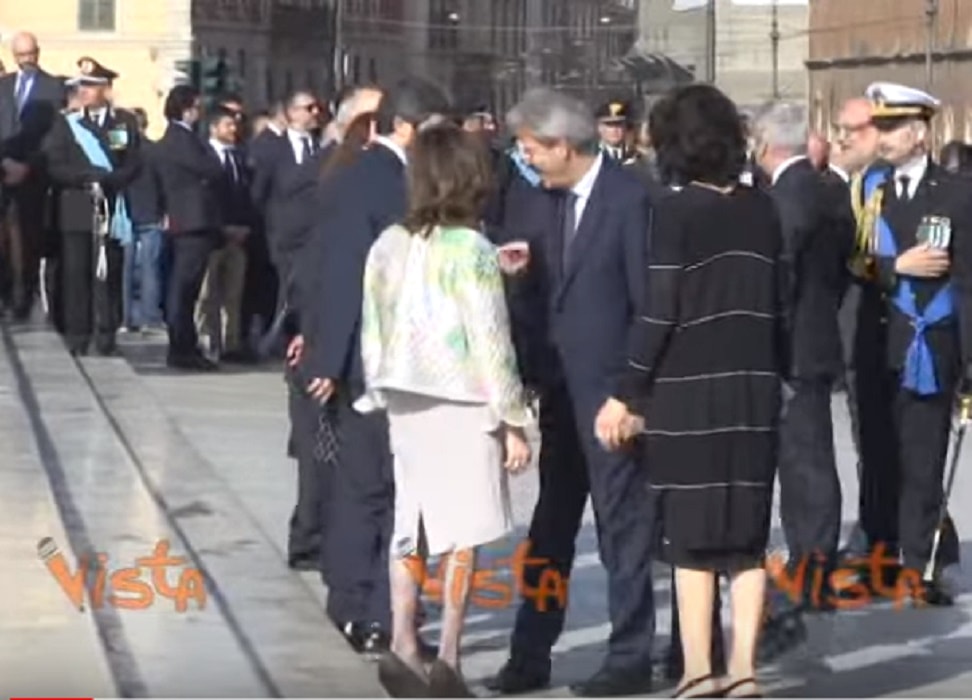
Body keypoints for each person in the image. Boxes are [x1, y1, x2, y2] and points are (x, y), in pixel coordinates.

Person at [596, 83, 788, 699]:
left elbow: (659, 314)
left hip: (689, 389)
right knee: (747, 538)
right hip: (754, 389)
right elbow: (779, 301)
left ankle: (698, 671)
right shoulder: (763, 209)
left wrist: (627, 392)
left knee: (690, 539)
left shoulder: (676, 212)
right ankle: (745, 672)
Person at [487, 88, 656, 697]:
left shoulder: (632, 199)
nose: (525, 159)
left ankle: (630, 654)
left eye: (531, 149)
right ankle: (529, 652)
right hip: (558, 393)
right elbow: (532, 293)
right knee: (550, 530)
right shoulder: (536, 202)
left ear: (562, 146)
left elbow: (650, 305)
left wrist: (634, 395)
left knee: (623, 530)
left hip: (612, 397)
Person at [357, 123, 533, 697]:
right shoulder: (473, 249)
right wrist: (513, 418)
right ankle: (449, 653)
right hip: (463, 398)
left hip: (404, 395)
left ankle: (403, 638)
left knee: (412, 523)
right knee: (464, 531)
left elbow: (373, 326)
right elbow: (491, 340)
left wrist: (379, 387)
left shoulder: (387, 243)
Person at [299, 76, 451, 655]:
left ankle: (376, 609)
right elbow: (341, 270)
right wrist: (329, 357)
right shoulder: (371, 180)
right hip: (373, 359)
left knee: (387, 491)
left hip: (397, 357)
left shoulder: (388, 176)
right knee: (369, 489)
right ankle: (361, 608)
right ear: (407, 127)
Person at [861, 81, 972, 605]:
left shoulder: (954, 193)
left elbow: (969, 280)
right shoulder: (870, 189)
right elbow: (849, 260)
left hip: (929, 345)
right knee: (877, 458)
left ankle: (918, 564)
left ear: (919, 133)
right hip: (873, 344)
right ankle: (880, 554)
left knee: (922, 459)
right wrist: (891, 267)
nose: (881, 137)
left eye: (891, 128)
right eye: (878, 127)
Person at [752, 102, 853, 609]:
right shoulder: (828, 189)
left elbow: (781, 273)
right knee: (808, 460)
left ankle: (812, 569)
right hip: (816, 337)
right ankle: (811, 560)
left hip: (792, 346)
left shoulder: (786, 197)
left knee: (804, 462)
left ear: (766, 142)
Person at [41, 57, 140, 356]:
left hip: (109, 206)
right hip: (76, 206)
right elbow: (55, 163)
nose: (84, 91)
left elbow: (128, 162)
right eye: (82, 85)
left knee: (108, 272)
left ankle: (107, 331)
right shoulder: (66, 123)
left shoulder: (120, 123)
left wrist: (108, 181)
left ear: (106, 89)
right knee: (76, 272)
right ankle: (77, 334)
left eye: (92, 86)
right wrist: (86, 178)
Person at [154, 84, 224, 371]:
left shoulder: (173, 139)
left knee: (184, 287)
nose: (199, 113)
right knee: (184, 288)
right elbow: (212, 169)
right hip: (192, 221)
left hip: (183, 219)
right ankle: (182, 347)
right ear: (186, 109)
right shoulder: (183, 140)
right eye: (196, 107)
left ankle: (183, 344)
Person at [0, 31, 64, 320]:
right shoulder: (3, 86)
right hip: (2, 173)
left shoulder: (54, 88)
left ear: (38, 52)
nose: (27, 61)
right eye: (21, 55)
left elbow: (54, 136)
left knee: (27, 242)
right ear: (13, 56)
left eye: (31, 54)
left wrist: (28, 166)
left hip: (34, 177)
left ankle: (22, 299)